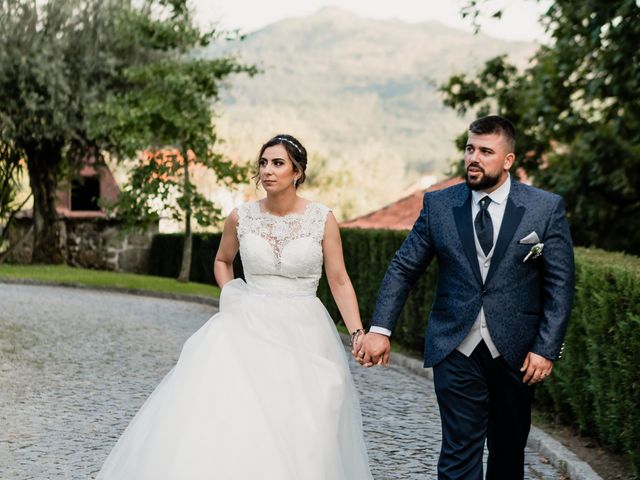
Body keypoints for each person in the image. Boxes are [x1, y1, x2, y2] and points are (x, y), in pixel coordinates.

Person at [96, 134, 373, 479]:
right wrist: (233, 298)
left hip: (304, 331)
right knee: (241, 414)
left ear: (297, 172)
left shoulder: (321, 218)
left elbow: (339, 280)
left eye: (278, 163)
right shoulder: (241, 217)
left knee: (304, 421)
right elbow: (222, 261)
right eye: (263, 163)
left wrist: (358, 332)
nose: (268, 171)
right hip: (246, 326)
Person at [357, 116, 575, 479]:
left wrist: (546, 347)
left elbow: (559, 284)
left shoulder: (543, 208)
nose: (474, 158)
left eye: (486, 151)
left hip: (518, 354)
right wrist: (381, 328)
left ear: (508, 160)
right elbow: (404, 267)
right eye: (470, 148)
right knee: (459, 455)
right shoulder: (439, 206)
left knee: (508, 452)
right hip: (455, 346)